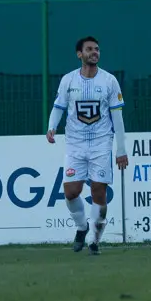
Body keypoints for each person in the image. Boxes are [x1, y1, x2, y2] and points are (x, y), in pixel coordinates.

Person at [46, 36, 128, 255]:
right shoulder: (68, 80)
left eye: (97, 49)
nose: (95, 52)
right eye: (90, 49)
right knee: (71, 192)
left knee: (98, 192)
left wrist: (121, 150)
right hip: (75, 144)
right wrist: (51, 126)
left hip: (101, 143)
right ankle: (82, 227)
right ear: (79, 54)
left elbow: (117, 117)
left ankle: (94, 240)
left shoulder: (109, 81)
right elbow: (58, 107)